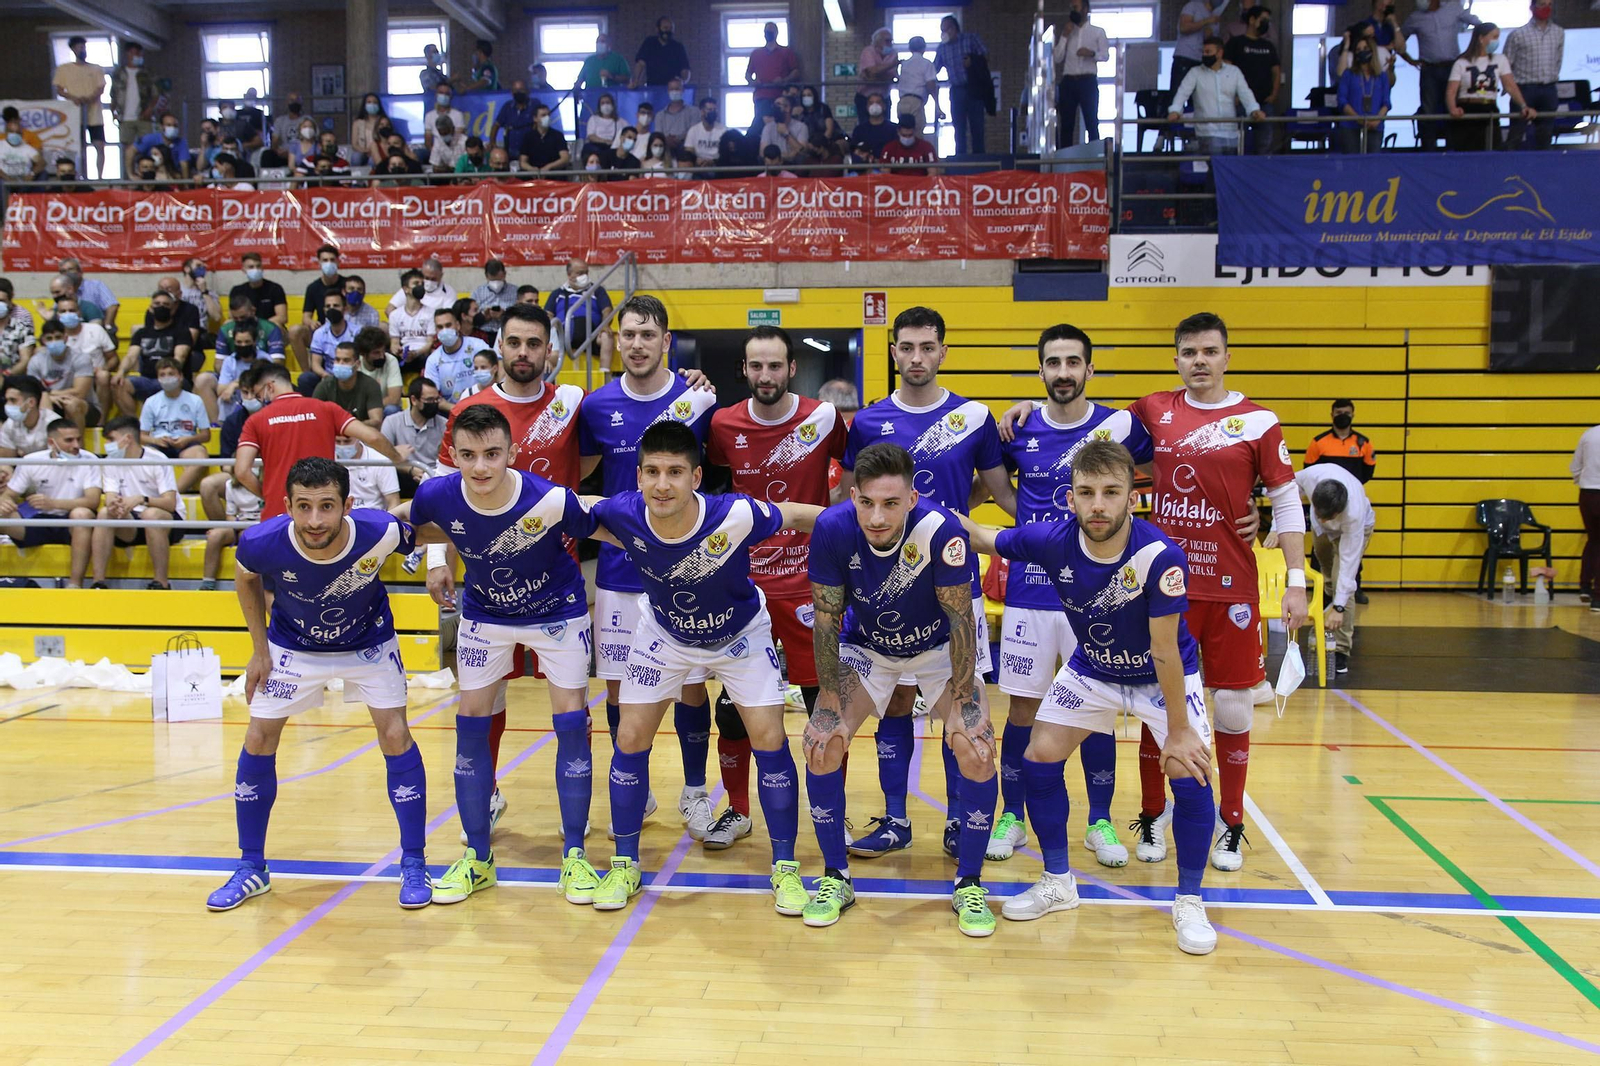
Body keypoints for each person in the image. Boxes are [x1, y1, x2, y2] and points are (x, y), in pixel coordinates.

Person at [963, 441, 1219, 955]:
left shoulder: (1157, 555)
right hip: (1093, 671)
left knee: (1188, 771)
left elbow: (1165, 650)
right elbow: (988, 537)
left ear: (1131, 497)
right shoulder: (1053, 540)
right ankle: (1058, 881)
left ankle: (1190, 899)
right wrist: (926, 512)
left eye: (1110, 492)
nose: (1097, 504)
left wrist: (1180, 729)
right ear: (1071, 497)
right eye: (1086, 493)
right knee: (1039, 757)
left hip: (1160, 675)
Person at [584, 420, 821, 915]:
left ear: (695, 477)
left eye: (674, 472)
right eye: (652, 472)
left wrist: (867, 527)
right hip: (665, 635)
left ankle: (785, 868)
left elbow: (799, 512)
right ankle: (624, 865)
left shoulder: (735, 513)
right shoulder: (622, 513)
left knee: (770, 739)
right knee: (629, 737)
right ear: (638, 475)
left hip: (739, 636)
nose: (662, 483)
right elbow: (549, 509)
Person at [206, 458, 431, 912]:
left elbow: (428, 534)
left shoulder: (382, 531)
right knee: (257, 736)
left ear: (347, 505)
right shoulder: (260, 542)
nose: (314, 520)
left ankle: (413, 862)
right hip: (292, 645)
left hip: (369, 643)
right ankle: (252, 867)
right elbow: (245, 579)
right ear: (286, 505)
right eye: (303, 506)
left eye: (327, 506)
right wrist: (258, 649)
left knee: (395, 735)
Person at [1124, 313, 1304, 873]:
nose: (1199, 361)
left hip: (1232, 586)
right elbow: (1088, 432)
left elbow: (1287, 499)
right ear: (1175, 359)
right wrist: (1026, 410)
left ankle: (1230, 823)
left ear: (1227, 357)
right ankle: (1153, 813)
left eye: (1209, 351)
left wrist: (1294, 579)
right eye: (1188, 352)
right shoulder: (1153, 410)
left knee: (1229, 708)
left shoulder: (1257, 421)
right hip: (1165, 588)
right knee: (1160, 706)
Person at [404, 404, 602, 903]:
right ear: (453, 455)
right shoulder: (436, 494)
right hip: (485, 613)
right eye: (468, 456)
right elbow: (420, 525)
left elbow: (603, 527)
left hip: (557, 610)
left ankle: (575, 857)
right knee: (470, 722)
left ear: (513, 453)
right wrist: (436, 561)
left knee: (571, 723)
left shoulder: (551, 498)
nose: (481, 467)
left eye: (493, 454)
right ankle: (478, 859)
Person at [837, 307, 1014, 860]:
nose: (916, 358)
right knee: (892, 703)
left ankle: (961, 822)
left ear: (943, 351)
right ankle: (895, 820)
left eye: (927, 347)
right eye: (906, 347)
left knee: (959, 705)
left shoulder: (975, 417)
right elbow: (849, 499)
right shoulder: (867, 421)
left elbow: (999, 494)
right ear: (893, 352)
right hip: (881, 586)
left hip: (950, 585)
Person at [804, 441, 997, 935]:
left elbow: (960, 621)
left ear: (912, 499)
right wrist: (828, 698)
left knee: (976, 750)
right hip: (868, 648)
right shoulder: (831, 528)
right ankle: (836, 878)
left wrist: (966, 701)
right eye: (867, 502)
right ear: (853, 496)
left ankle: (970, 884)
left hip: (937, 649)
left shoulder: (942, 531)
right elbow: (825, 621)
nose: (876, 516)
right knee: (821, 744)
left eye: (890, 503)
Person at [987, 325, 1154, 868]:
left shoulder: (1117, 426)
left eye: (1073, 362)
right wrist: (1038, 529)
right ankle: (1012, 815)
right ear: (1041, 371)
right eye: (1053, 363)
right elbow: (995, 486)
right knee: (1023, 709)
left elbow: (1158, 472)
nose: (1063, 372)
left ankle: (1099, 819)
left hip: (1097, 594)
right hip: (1031, 593)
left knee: (1097, 712)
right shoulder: (1020, 426)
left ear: (1089, 369)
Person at [577, 297, 721, 841]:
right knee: (619, 691)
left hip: (683, 569)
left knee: (690, 687)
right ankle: (633, 789)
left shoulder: (698, 399)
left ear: (667, 342)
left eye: (647, 334)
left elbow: (717, 477)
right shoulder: (595, 405)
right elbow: (581, 476)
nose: (636, 343)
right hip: (617, 571)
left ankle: (694, 793)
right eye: (627, 334)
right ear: (616, 341)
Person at [703, 326, 849, 849]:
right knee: (733, 709)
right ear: (744, 370)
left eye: (775, 366)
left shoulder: (823, 417)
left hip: (812, 583)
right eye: (756, 366)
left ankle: (833, 811)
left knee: (823, 703)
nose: (766, 375)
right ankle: (737, 811)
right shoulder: (722, 423)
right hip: (745, 583)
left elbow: (850, 469)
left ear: (791, 369)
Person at [232, 362, 400, 521]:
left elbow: (241, 471)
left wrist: (268, 495)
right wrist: (399, 459)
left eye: (260, 395)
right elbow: (373, 437)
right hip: (322, 513)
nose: (260, 400)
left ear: (270, 386)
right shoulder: (326, 409)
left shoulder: (256, 421)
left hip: (278, 513)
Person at [1265, 464, 1373, 675]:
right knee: (1327, 578)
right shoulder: (1311, 476)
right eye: (1318, 513)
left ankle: (1340, 647)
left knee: (1342, 581)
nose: (1322, 518)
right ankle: (1325, 620)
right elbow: (1283, 492)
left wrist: (1339, 607)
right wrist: (1277, 527)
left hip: (1353, 531)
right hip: (1322, 533)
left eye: (1328, 517)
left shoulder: (1354, 516)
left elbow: (1348, 570)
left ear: (1339, 511)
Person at [0, 418, 98, 585]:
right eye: (69, 440)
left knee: (81, 514)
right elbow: (9, 494)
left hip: (71, 523)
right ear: (52, 442)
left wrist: (54, 503)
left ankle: (75, 584)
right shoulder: (32, 460)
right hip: (40, 521)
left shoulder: (90, 459)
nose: (76, 445)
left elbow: (92, 501)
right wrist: (4, 502)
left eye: (78, 439)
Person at [89, 416, 179, 590]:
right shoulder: (110, 462)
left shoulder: (158, 459)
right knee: (104, 513)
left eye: (111, 440)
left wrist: (142, 499)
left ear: (127, 439)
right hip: (132, 520)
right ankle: (98, 582)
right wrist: (115, 505)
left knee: (150, 514)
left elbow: (170, 504)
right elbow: (110, 496)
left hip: (164, 518)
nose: (107, 445)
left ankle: (161, 583)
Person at [1402, 0, 1482, 150]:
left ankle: (1453, 149)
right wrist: (1409, 60)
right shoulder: (1415, 17)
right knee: (1428, 112)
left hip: (1452, 68)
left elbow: (1478, 25)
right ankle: (1428, 151)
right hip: (1429, 70)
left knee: (1453, 109)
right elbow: (1399, 40)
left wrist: (1470, 52)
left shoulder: (1454, 7)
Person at [1168, 38, 1266, 156]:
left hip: (1231, 132)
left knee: (1230, 170)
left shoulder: (1234, 72)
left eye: (1208, 52)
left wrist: (1254, 110)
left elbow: (1245, 93)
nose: (1204, 55)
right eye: (1203, 52)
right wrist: (1175, 110)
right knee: (1214, 171)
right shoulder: (1195, 73)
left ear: (1219, 53)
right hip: (1207, 132)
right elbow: (1182, 93)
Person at [1448, 23, 1537, 152]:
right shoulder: (1461, 62)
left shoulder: (1500, 60)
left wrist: (1524, 106)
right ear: (1481, 38)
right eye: (1494, 37)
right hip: (1467, 110)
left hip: (1489, 108)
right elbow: (1451, 90)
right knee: (1467, 150)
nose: (1497, 41)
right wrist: (1453, 108)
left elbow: (1510, 85)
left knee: (1492, 149)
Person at [139, 358, 211, 493]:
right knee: (144, 457)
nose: (167, 378)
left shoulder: (195, 400)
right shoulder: (151, 402)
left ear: (180, 376)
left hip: (186, 442)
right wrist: (156, 440)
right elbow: (141, 436)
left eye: (171, 374)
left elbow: (206, 435)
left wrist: (188, 440)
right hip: (159, 443)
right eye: (162, 375)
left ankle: (174, 495)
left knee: (200, 457)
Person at [1504, 0, 1562, 149]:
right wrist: (1511, 89)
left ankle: (1544, 168)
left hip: (1549, 89)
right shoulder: (1517, 34)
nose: (1546, 8)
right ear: (1532, 7)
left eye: (1550, 4)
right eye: (1542, 4)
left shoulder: (1559, 32)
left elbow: (1558, 60)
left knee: (1545, 135)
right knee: (1516, 134)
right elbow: (1506, 66)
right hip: (1524, 89)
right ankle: (1510, 169)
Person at [1225, 6, 1280, 155]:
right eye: (1263, 20)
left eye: (1268, 21)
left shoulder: (1268, 46)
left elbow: (1276, 71)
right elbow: (1226, 71)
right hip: (1239, 102)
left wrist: (1274, 94)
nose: (1266, 23)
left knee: (1265, 143)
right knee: (1236, 144)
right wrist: (1232, 96)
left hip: (1264, 102)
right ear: (1252, 20)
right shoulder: (1236, 43)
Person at [1054, 0, 1110, 148]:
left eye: (1076, 7)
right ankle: (1064, 162)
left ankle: (1095, 162)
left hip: (1087, 81)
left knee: (1091, 122)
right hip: (1068, 82)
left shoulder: (1097, 31)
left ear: (1085, 9)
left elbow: (1105, 55)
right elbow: (1057, 57)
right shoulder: (1067, 31)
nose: (1073, 10)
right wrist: (1064, 36)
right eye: (1071, 7)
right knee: (1066, 124)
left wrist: (1091, 53)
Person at [545, 259, 615, 375]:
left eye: (586, 272)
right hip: (563, 334)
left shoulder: (597, 290)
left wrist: (605, 325)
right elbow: (548, 314)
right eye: (580, 273)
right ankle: (549, 374)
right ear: (569, 275)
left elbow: (607, 310)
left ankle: (604, 375)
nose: (585, 276)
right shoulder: (557, 293)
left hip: (591, 334)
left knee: (607, 336)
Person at [35, 308, 103, 426]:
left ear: (66, 338)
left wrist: (49, 394)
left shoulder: (81, 358)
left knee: (71, 404)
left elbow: (79, 393)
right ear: (43, 341)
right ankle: (46, 443)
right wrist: (49, 398)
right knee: (40, 404)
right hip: (52, 402)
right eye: (49, 339)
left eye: (58, 337)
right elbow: (34, 392)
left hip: (86, 407)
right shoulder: (36, 361)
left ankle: (77, 444)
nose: (54, 341)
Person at [53, 35, 107, 178]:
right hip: (75, 115)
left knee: (100, 146)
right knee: (80, 148)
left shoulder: (96, 69)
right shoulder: (64, 69)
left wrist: (90, 98)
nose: (82, 50)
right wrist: (74, 98)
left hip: (94, 115)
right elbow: (59, 89)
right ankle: (82, 175)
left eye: (84, 47)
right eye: (80, 47)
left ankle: (100, 177)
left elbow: (101, 88)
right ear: (73, 49)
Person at [934, 16, 989, 154]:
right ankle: (961, 159)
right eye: (941, 31)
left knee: (977, 126)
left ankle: (979, 159)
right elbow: (934, 69)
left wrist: (973, 60)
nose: (943, 34)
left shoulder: (970, 39)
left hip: (974, 88)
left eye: (945, 30)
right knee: (958, 127)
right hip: (956, 90)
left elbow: (985, 55)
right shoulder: (942, 48)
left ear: (953, 29)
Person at [382, 377, 446, 493]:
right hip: (403, 475)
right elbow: (383, 458)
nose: (434, 404)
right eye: (429, 400)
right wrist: (410, 470)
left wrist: (428, 474)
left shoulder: (444, 424)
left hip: (433, 476)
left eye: (437, 399)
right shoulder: (392, 421)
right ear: (414, 400)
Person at [289, 244, 346, 369]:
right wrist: (311, 322)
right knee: (295, 331)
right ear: (319, 262)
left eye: (332, 260)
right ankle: (307, 373)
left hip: (345, 331)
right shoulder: (313, 288)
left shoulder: (346, 285)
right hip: (321, 334)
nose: (329, 263)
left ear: (338, 262)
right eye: (325, 260)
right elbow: (306, 317)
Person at [422, 307, 490, 407]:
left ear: (458, 325)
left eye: (448, 325)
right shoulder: (433, 360)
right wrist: (458, 411)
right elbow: (434, 397)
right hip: (452, 412)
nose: (444, 330)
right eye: (440, 327)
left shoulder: (478, 346)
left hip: (484, 406)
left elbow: (498, 370)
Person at [745, 22, 802, 136]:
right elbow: (748, 74)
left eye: (770, 31)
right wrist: (753, 82)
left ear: (776, 33)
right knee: (761, 123)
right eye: (767, 31)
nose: (768, 33)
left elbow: (796, 72)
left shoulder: (786, 52)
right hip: (762, 95)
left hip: (780, 95)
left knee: (781, 122)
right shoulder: (756, 53)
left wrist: (784, 80)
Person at [1337, 35, 1392, 153]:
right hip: (1350, 127)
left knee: (1372, 165)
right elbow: (1342, 100)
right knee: (1352, 165)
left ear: (1372, 51)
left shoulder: (1381, 76)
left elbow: (1386, 102)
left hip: (1375, 126)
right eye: (1358, 50)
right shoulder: (1348, 74)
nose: (1362, 52)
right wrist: (1359, 119)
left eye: (1366, 48)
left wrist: (1377, 120)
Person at [1306, 400, 1376, 486]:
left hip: (1354, 493)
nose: (1343, 416)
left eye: (1347, 413)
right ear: (1332, 415)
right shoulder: (1317, 442)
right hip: (1326, 494)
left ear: (1352, 416)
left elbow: (1368, 472)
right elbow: (1309, 471)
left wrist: (1354, 485)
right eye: (1339, 412)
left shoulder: (1365, 443)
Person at [110, 41, 156, 173]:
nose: (137, 56)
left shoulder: (147, 73)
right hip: (125, 116)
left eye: (139, 53)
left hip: (143, 116)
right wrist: (113, 111)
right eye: (135, 53)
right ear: (128, 54)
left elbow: (155, 94)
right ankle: (130, 176)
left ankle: (147, 173)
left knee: (147, 146)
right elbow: (113, 94)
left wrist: (149, 109)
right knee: (127, 148)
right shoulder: (119, 73)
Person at [314, 343, 384, 429]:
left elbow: (376, 421)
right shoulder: (325, 385)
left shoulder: (371, 385)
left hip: (362, 434)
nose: (341, 364)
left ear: (357, 364)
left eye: (346, 360)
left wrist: (346, 427)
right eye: (337, 360)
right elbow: (313, 417)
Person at [304, 290, 358, 394]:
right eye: (328, 306)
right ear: (324, 310)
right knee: (305, 378)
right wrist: (325, 375)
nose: (331, 309)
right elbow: (315, 364)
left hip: (351, 376)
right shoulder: (319, 333)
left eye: (336, 305)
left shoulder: (356, 332)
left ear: (345, 308)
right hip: (328, 376)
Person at [0, 376, 60, 468]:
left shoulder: (54, 425)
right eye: (7, 400)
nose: (7, 405)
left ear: (31, 402)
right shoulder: (9, 424)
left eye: (13, 400)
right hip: (24, 472)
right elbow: (7, 461)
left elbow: (57, 463)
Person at [1174, 0, 1231, 89]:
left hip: (1202, 60)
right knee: (1177, 93)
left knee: (1197, 97)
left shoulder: (1215, 18)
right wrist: (1206, 21)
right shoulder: (1193, 6)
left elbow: (1211, 42)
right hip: (1185, 57)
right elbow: (1183, 28)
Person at [335, 432, 400, 510]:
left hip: (373, 517)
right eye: (338, 441)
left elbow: (393, 501)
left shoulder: (381, 461)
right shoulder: (327, 458)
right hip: (340, 517)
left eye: (347, 441)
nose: (342, 446)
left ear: (358, 438)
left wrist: (389, 521)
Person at [387, 269, 438, 368]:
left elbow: (429, 342)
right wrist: (398, 351)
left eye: (422, 283)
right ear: (406, 289)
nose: (420, 286)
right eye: (416, 283)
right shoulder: (395, 315)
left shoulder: (431, 312)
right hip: (404, 355)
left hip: (423, 355)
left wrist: (415, 353)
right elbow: (394, 343)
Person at [1573, 422, 1600, 609]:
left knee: (1594, 540)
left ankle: (1585, 585)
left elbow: (1575, 467)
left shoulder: (1589, 434)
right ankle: (1598, 596)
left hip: (1587, 494)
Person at [229, 253, 288, 332]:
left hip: (268, 326)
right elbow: (232, 316)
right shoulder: (237, 290)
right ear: (243, 269)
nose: (255, 269)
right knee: (227, 324)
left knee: (277, 325)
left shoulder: (275, 288)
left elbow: (282, 317)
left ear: (262, 268)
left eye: (258, 266)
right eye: (251, 267)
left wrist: (258, 325)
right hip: (245, 327)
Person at [633, 16, 692, 87]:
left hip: (673, 89)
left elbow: (685, 69)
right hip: (653, 88)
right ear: (658, 29)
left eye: (671, 29)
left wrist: (683, 82)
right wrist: (636, 81)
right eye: (665, 28)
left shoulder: (678, 47)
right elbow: (640, 64)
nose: (668, 31)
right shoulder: (649, 43)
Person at [896, 37, 938, 134]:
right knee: (916, 133)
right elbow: (931, 84)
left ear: (910, 49)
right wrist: (937, 105)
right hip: (916, 102)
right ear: (924, 48)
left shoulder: (904, 64)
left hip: (902, 102)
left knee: (903, 133)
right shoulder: (927, 64)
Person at [857, 28, 899, 122]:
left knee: (886, 126)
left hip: (884, 97)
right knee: (865, 126)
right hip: (865, 97)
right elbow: (871, 72)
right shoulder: (868, 51)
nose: (890, 44)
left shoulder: (893, 54)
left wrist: (875, 75)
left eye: (891, 41)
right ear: (877, 41)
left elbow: (891, 76)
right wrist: (890, 66)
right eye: (887, 41)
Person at [517, 104, 570, 175]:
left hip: (554, 175)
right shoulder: (528, 137)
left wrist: (549, 167)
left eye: (548, 115)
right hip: (533, 177)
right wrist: (531, 169)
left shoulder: (558, 136)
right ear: (535, 118)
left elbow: (565, 158)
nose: (547, 117)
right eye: (543, 115)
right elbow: (523, 162)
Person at [848, 92, 897, 161]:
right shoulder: (859, 130)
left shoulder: (893, 129)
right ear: (867, 107)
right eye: (871, 103)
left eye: (878, 102)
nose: (874, 105)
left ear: (884, 106)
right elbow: (854, 152)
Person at [0, 282, 34, 373]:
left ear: (10, 303)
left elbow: (25, 360)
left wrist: (6, 376)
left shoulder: (22, 329)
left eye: (2, 301)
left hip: (11, 379)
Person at [655, 78, 695, 151]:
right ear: (668, 91)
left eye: (677, 89)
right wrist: (667, 140)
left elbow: (694, 133)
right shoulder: (660, 115)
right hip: (665, 151)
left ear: (683, 90)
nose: (674, 91)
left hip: (686, 151)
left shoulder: (693, 111)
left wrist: (678, 139)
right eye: (671, 89)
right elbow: (658, 136)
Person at [685, 98, 725, 168]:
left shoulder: (723, 130)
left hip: (717, 166)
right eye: (709, 110)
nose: (713, 112)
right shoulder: (693, 130)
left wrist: (713, 162)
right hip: (698, 166)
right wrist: (697, 160)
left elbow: (726, 153)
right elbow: (688, 151)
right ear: (702, 111)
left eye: (715, 110)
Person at [350, 94, 388, 165]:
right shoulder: (357, 123)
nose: (372, 104)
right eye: (369, 102)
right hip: (362, 152)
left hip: (379, 151)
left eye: (375, 102)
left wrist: (374, 151)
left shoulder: (384, 121)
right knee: (356, 157)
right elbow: (354, 144)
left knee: (372, 160)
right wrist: (365, 151)